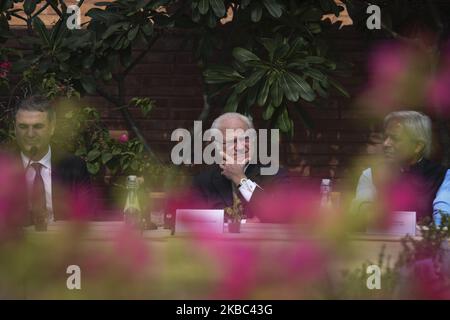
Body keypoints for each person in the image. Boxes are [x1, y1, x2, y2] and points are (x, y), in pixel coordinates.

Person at [352, 110, 450, 224]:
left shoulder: (443, 176)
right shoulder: (371, 174)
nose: (386, 144)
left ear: (418, 146)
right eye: (386, 137)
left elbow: (443, 222)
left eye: (395, 139)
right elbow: (360, 217)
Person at [192, 112, 289, 222]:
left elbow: (280, 215)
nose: (240, 146)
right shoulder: (202, 182)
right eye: (231, 141)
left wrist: (241, 180)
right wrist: (244, 224)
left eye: (245, 139)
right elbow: (196, 225)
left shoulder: (276, 175)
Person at [10, 95, 91, 225]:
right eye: (23, 127)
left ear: (52, 128)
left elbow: (86, 218)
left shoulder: (75, 167)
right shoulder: (4, 168)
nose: (30, 134)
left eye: (38, 126)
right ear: (15, 128)